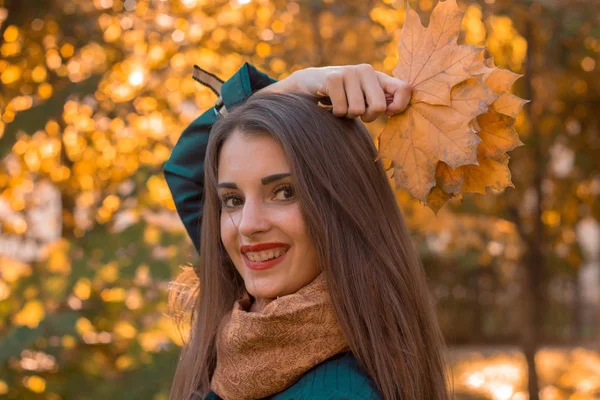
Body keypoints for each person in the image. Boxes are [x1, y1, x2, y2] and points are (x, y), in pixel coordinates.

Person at [164, 63, 453, 399]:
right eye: (232, 199)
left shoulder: (339, 391)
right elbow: (187, 171)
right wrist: (292, 84)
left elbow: (186, 169)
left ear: (344, 206)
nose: (248, 225)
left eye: (285, 192)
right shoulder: (247, 335)